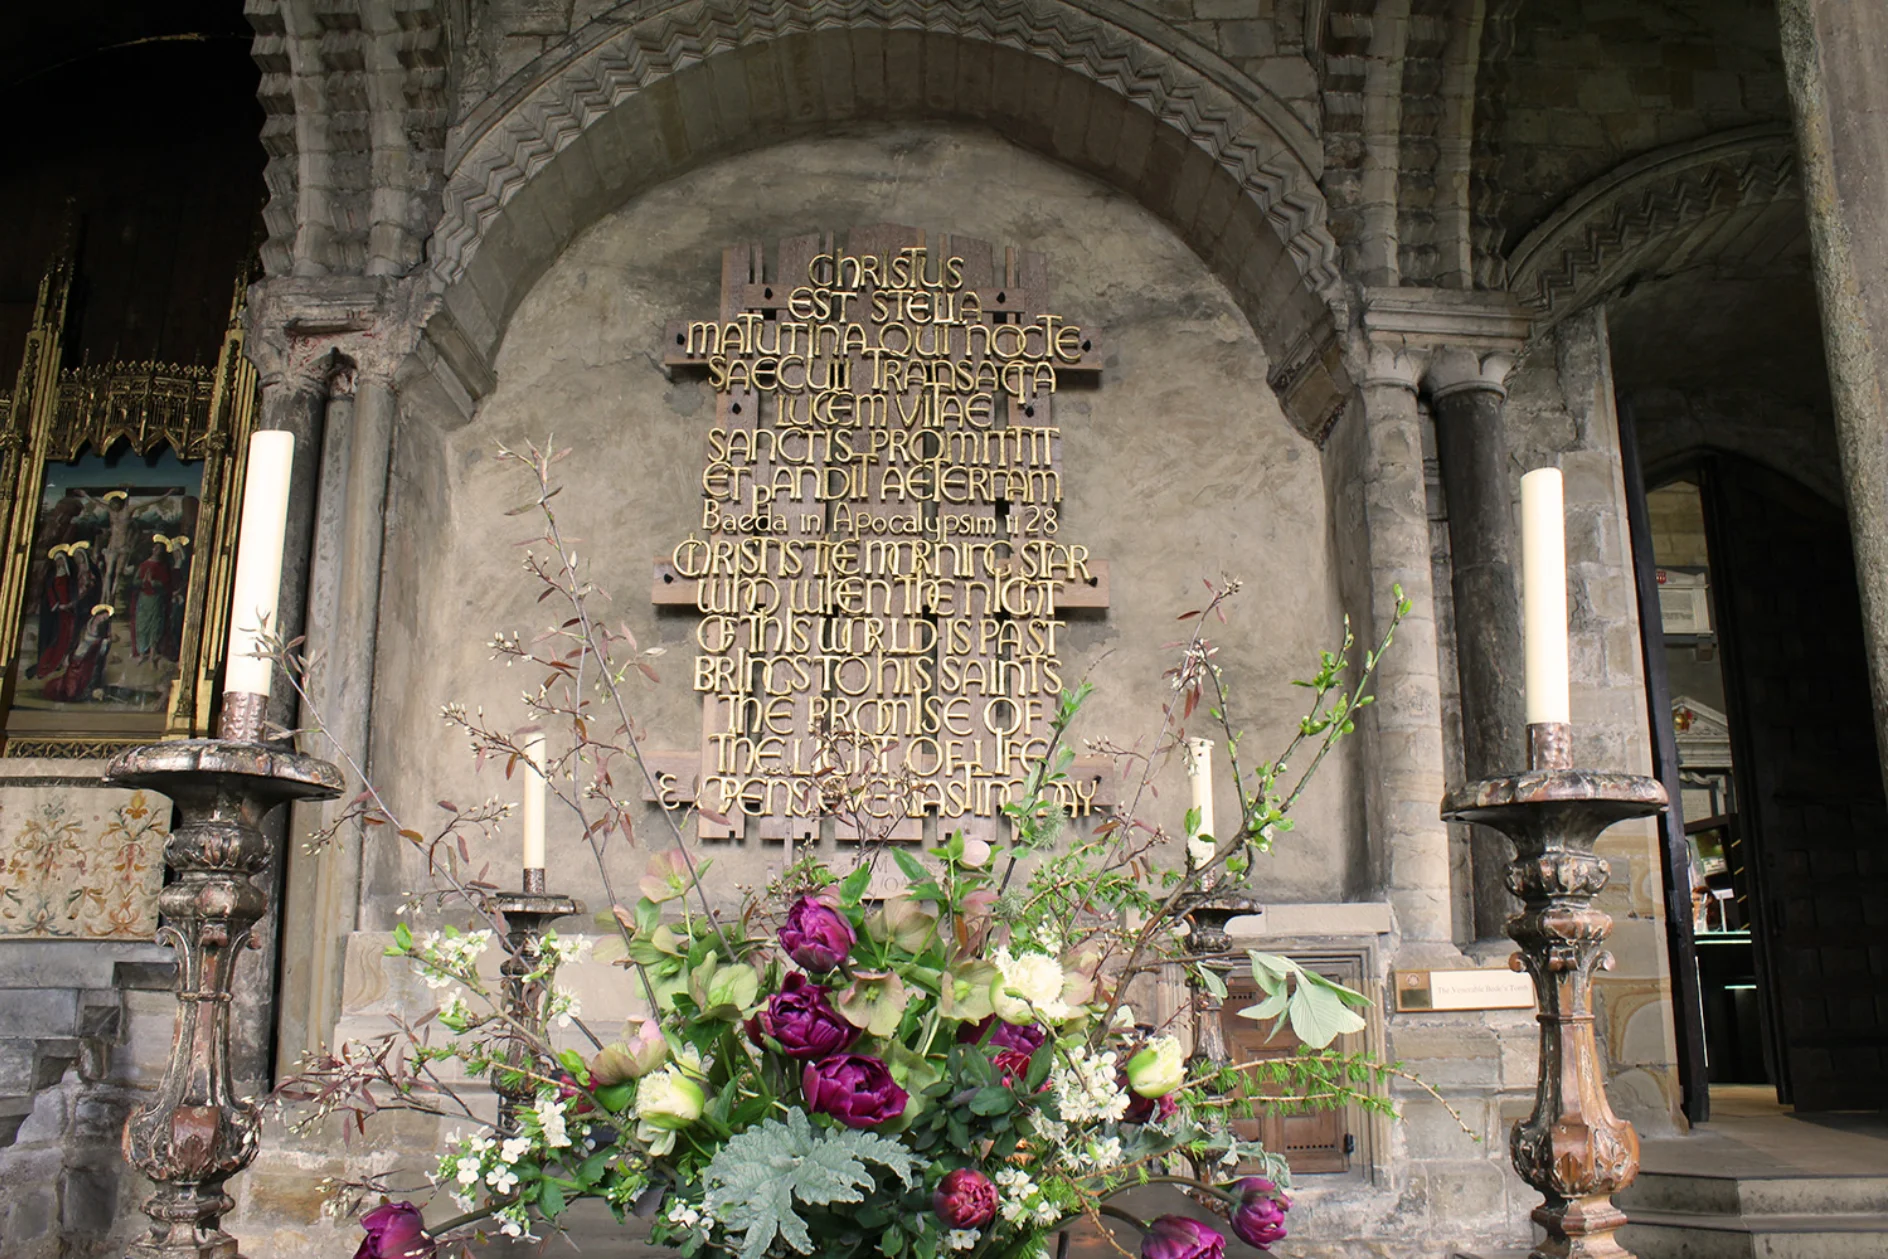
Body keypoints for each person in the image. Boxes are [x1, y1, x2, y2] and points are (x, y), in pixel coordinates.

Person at [44, 604, 112, 703]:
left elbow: (101, 652)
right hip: (75, 660)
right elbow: (75, 641)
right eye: (103, 616)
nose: (104, 619)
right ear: (97, 615)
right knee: (69, 690)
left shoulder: (103, 630)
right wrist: (68, 656)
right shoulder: (85, 626)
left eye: (106, 618)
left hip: (87, 663)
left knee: (77, 690)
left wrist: (105, 642)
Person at [30, 545, 79, 680]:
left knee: (65, 639)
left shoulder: (70, 578)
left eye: (61, 560)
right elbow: (49, 594)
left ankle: (56, 664)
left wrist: (70, 604)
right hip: (55, 614)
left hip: (68, 613)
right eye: (57, 560)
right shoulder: (51, 577)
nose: (59, 563)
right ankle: (44, 668)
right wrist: (57, 606)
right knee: (53, 640)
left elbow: (74, 594)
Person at [131, 540, 173, 664]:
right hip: (144, 599)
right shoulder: (144, 565)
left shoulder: (163, 566)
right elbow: (135, 582)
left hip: (156, 599)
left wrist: (154, 583)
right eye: (156, 548)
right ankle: (142, 653)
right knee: (142, 625)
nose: (157, 550)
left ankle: (152, 654)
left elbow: (166, 584)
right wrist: (143, 581)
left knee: (155, 626)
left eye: (160, 549)